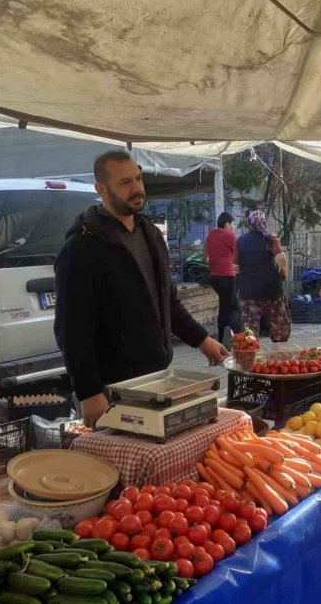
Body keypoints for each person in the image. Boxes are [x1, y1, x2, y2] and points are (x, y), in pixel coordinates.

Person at [54, 151, 227, 426]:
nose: (136, 188)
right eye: (125, 182)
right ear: (101, 189)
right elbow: (71, 327)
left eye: (138, 178)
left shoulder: (150, 233)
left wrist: (202, 340)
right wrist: (88, 392)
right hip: (110, 388)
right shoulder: (82, 247)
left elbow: (167, 302)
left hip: (156, 377)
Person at [235, 210, 291, 342]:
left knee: (250, 331)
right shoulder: (270, 237)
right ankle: (279, 357)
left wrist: (241, 282)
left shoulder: (240, 241)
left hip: (249, 293)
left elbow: (235, 267)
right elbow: (281, 258)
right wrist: (283, 273)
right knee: (279, 328)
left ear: (249, 223)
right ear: (264, 222)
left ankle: (250, 358)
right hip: (272, 290)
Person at [204, 212, 242, 346]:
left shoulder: (211, 235)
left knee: (234, 304)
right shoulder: (230, 236)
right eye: (232, 223)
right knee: (227, 307)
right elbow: (238, 255)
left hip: (214, 276)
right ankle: (222, 339)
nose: (234, 226)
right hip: (227, 276)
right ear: (227, 224)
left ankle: (239, 334)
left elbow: (205, 256)